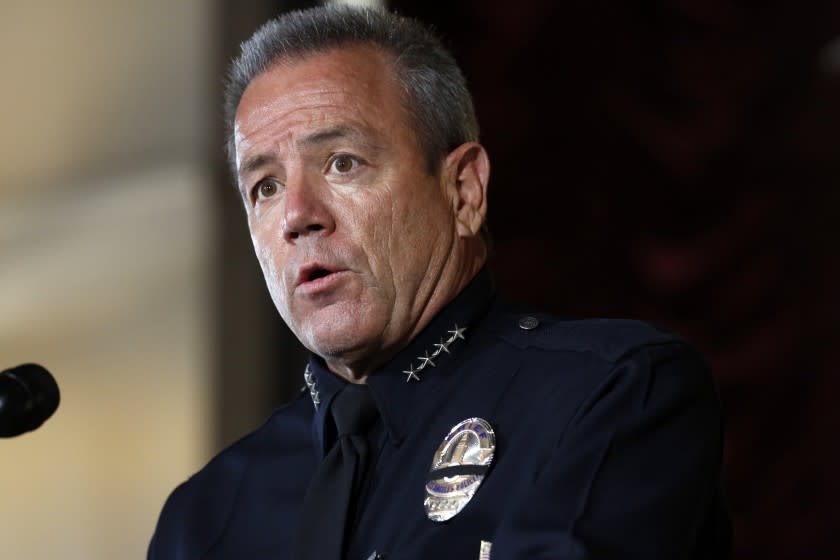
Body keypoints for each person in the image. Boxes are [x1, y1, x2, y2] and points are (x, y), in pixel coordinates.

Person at [148, 5, 731, 559]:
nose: (297, 214)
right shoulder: (205, 516)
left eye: (342, 162)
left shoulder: (611, 395)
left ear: (463, 191)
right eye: (265, 187)